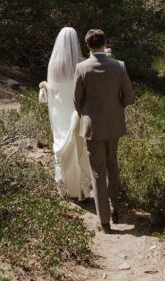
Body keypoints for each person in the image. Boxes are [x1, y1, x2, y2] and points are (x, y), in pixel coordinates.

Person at [73, 28, 134, 233]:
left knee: (97, 171)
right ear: (105, 43)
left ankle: (104, 221)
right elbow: (129, 97)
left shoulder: (82, 68)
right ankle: (115, 207)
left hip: (92, 126)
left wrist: (87, 113)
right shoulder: (119, 66)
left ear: (87, 45)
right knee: (112, 165)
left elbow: (77, 100)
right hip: (114, 123)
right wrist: (116, 109)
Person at [39, 27, 91, 200]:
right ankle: (82, 190)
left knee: (61, 145)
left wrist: (44, 85)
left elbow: (54, 89)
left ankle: (64, 189)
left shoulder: (53, 64)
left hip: (60, 112)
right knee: (79, 147)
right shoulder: (82, 63)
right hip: (77, 110)